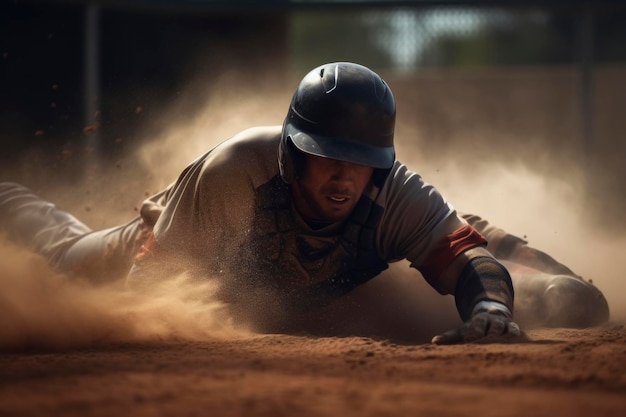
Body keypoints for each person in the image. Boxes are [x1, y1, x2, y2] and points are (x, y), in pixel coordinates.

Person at [0, 62, 609, 344]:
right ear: (293, 154)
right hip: (169, 242)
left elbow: (465, 256)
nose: (345, 176)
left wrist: (494, 309)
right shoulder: (238, 173)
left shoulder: (394, 191)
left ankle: (545, 280)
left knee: (463, 228)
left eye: (362, 160)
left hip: (308, 284)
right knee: (65, 252)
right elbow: (144, 303)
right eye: (327, 156)